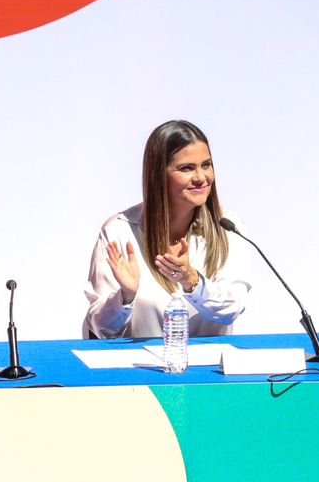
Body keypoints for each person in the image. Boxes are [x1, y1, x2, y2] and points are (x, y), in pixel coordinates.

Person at [83, 120, 250, 339]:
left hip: (209, 362)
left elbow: (231, 309)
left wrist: (192, 281)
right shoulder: (119, 231)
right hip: (140, 361)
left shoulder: (228, 226)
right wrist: (125, 297)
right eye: (186, 168)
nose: (201, 177)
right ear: (158, 175)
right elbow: (100, 329)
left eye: (206, 165)